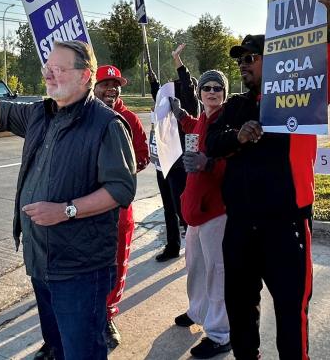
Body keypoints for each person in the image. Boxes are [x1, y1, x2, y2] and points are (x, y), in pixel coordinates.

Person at [0, 41, 137, 360]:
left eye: (58, 69)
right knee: (58, 347)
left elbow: (120, 189)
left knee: (82, 352)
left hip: (80, 269)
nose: (49, 75)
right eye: (46, 68)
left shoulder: (106, 124)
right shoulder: (40, 113)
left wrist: (66, 211)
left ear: (84, 76)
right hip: (41, 261)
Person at [206, 0, 330, 360]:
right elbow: (211, 143)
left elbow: (327, 79)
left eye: (251, 57)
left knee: (290, 314)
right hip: (239, 227)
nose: (243, 65)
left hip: (286, 227)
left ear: (277, 60)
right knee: (239, 309)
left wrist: (327, 31)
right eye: (240, 60)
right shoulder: (235, 106)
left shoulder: (300, 96)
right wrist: (239, 135)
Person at [168, 67, 233, 358]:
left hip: (216, 212)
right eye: (206, 88)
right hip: (195, 212)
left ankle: (221, 334)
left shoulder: (228, 121)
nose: (211, 92)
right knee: (194, 268)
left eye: (217, 88)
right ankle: (197, 312)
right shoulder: (205, 119)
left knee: (216, 273)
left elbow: (235, 164)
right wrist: (181, 115)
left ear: (224, 93)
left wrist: (209, 165)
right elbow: (195, 128)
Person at [93, 65, 149, 350]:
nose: (111, 89)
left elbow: (143, 155)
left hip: (118, 210)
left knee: (116, 266)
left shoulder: (128, 118)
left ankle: (107, 316)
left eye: (116, 85)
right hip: (83, 212)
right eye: (105, 84)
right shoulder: (81, 116)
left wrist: (121, 175)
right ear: (93, 85)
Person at [147, 45, 200, 262]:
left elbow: (186, 87)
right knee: (169, 207)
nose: (175, 89)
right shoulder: (168, 106)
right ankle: (172, 245)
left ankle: (194, 247)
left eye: (179, 86)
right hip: (163, 163)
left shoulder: (189, 105)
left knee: (182, 209)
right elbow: (160, 98)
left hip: (179, 165)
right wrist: (153, 83)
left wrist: (178, 62)